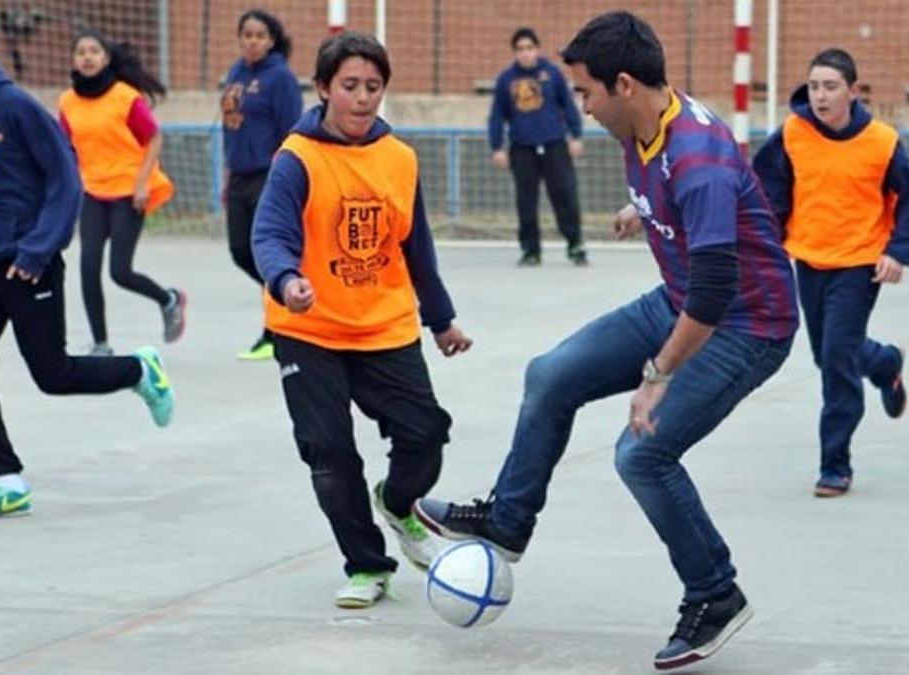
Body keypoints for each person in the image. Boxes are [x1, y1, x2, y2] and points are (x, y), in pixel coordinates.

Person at [414, 12, 798, 670]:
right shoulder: (646, 124)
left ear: (623, 84)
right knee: (550, 373)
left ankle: (715, 592)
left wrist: (658, 376)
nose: (582, 106)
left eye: (587, 92)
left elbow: (712, 290)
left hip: (743, 325)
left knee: (641, 455)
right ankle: (508, 521)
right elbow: (696, 219)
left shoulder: (695, 157)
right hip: (681, 301)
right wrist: (643, 208)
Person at [0, 15, 174, 521]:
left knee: (52, 374)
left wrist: (37, 250)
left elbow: (65, 184)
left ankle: (141, 369)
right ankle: (5, 480)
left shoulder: (15, 107)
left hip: (29, 261)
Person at [252, 31, 473, 609]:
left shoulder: (399, 158)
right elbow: (270, 232)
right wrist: (286, 279)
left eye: (373, 87)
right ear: (323, 88)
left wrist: (442, 318)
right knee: (328, 450)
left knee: (426, 431)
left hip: (383, 325)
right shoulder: (297, 157)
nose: (362, 98)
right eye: (349, 86)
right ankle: (367, 566)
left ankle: (398, 502)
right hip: (308, 329)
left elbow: (415, 245)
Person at [752, 49, 909, 498]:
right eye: (813, 86)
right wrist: (762, 240)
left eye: (830, 87)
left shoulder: (882, 142)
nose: (820, 96)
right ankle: (885, 363)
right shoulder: (792, 134)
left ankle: (835, 465)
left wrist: (898, 251)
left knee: (835, 360)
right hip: (808, 260)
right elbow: (767, 188)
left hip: (860, 263)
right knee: (829, 354)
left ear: (853, 91)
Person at [59, 30, 186, 356]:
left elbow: (154, 138)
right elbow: (65, 147)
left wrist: (143, 182)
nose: (87, 56)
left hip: (129, 192)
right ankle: (101, 344)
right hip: (92, 192)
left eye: (94, 51)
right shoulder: (68, 102)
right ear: (74, 60)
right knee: (88, 268)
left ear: (106, 58)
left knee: (120, 271)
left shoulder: (125, 97)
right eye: (81, 51)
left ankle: (168, 299)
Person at [222, 9, 303, 360]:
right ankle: (290, 293)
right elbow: (231, 127)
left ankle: (274, 333)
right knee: (240, 250)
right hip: (238, 175)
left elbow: (291, 129)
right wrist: (227, 176)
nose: (252, 41)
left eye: (260, 36)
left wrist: (284, 174)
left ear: (271, 41)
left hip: (267, 176)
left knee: (265, 251)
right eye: (247, 35)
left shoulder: (280, 77)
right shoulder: (236, 72)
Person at [488, 27, 587, 267]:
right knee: (526, 201)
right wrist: (497, 146)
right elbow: (497, 115)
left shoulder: (552, 74)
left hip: (554, 144)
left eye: (529, 48)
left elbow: (569, 106)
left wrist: (575, 136)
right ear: (514, 53)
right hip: (522, 148)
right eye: (520, 49)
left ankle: (575, 244)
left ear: (537, 49)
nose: (525, 53)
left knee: (564, 195)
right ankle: (531, 250)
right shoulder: (506, 79)